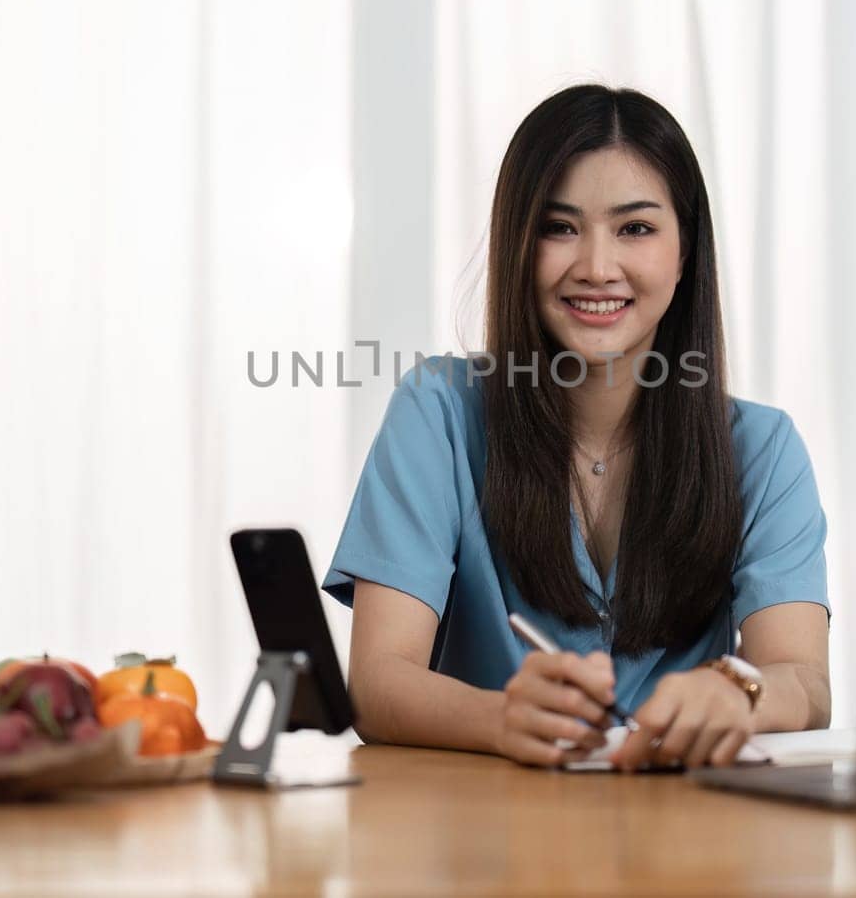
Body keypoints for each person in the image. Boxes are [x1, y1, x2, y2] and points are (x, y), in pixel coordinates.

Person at [322, 84, 830, 770]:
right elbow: (378, 679)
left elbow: (804, 678)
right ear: (517, 246)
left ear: (685, 254)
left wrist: (738, 690)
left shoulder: (761, 450)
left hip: (689, 847)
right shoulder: (436, 414)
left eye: (636, 228)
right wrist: (502, 716)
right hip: (485, 841)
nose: (595, 266)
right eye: (559, 227)